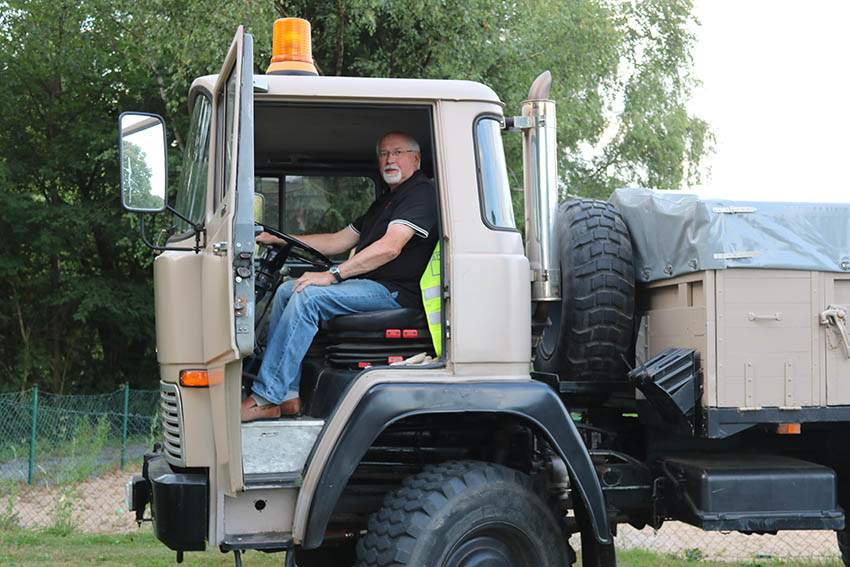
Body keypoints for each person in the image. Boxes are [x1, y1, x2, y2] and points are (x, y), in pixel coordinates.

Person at [241, 132, 438, 422]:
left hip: (395, 292)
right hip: (372, 286)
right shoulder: (387, 201)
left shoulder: (421, 194)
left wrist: (333, 275)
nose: (389, 159)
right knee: (288, 289)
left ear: (415, 158)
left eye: (398, 152)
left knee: (308, 297)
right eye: (383, 154)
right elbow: (338, 241)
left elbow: (390, 248)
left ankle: (265, 397)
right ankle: (287, 396)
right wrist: (282, 239)